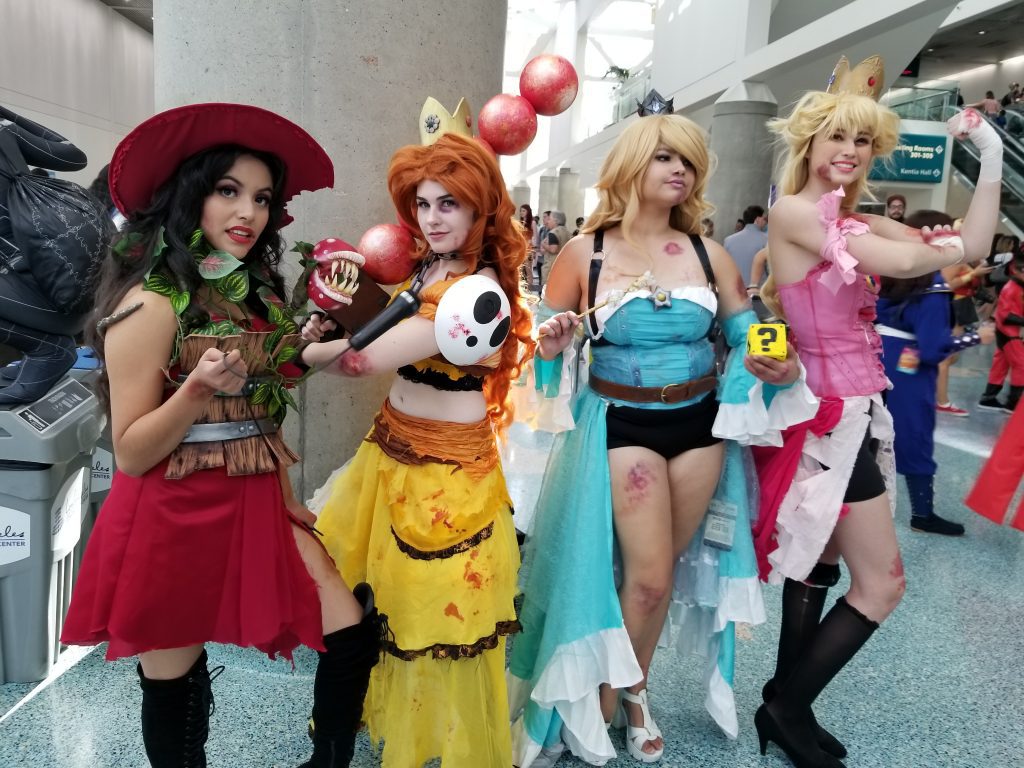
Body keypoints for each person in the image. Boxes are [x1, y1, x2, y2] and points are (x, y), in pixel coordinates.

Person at [60, 103, 379, 768]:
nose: (249, 212)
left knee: (350, 634)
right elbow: (132, 452)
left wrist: (285, 492)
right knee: (173, 684)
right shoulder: (149, 303)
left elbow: (267, 394)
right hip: (169, 519)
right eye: (228, 190)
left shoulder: (248, 293)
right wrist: (195, 391)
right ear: (190, 196)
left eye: (262, 198)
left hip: (252, 498)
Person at [507, 112, 811, 766]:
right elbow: (544, 346)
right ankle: (600, 704)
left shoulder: (707, 253)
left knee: (660, 575)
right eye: (665, 157)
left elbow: (745, 331)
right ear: (631, 166)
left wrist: (778, 362)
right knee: (645, 579)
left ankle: (635, 690)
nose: (680, 171)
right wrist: (553, 345)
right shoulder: (583, 253)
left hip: (700, 427)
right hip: (622, 425)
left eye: (689, 161)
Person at [754, 55, 1002, 768]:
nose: (851, 150)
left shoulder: (853, 221)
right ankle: (786, 709)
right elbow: (902, 265)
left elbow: (971, 246)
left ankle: (787, 702)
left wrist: (988, 156)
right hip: (826, 417)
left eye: (863, 140)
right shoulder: (794, 212)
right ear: (809, 141)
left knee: (822, 562)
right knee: (883, 584)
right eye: (837, 135)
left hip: (857, 412)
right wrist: (919, 243)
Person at [300, 132, 535, 767]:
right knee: (363, 600)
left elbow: (361, 362)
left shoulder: (476, 292)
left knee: (434, 617)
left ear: (480, 207)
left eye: (448, 204)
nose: (432, 218)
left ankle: (427, 742)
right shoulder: (431, 266)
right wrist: (336, 317)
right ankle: (344, 733)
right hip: (389, 447)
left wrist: (298, 350)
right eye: (424, 204)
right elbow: (377, 328)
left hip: (446, 473)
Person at [876, 209, 989, 536]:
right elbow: (933, 349)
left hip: (877, 359)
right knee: (915, 436)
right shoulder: (932, 287)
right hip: (909, 371)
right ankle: (922, 514)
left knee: (870, 433)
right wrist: (974, 337)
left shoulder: (891, 274)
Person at [0, 104, 89, 404]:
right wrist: (7, 115)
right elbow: (71, 153)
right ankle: (44, 350)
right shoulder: (3, 131)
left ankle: (47, 350)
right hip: (69, 296)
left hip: (41, 299)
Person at [978, 246, 1024, 413]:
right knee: (1021, 365)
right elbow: (1005, 315)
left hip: (1008, 331)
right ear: (1015, 270)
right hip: (1009, 332)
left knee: (1001, 364)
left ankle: (988, 398)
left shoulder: (1017, 287)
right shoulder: (1012, 289)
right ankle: (1013, 403)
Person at [724, 204, 768, 286]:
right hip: (758, 289)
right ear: (757, 219)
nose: (765, 222)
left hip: (735, 288)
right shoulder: (767, 240)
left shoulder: (728, 240)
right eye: (764, 218)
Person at [539, 209, 570, 290]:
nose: (548, 221)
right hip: (564, 266)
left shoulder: (553, 233)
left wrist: (543, 244)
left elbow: (553, 249)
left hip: (552, 266)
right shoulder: (567, 232)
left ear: (556, 221)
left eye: (550, 219)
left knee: (548, 290)